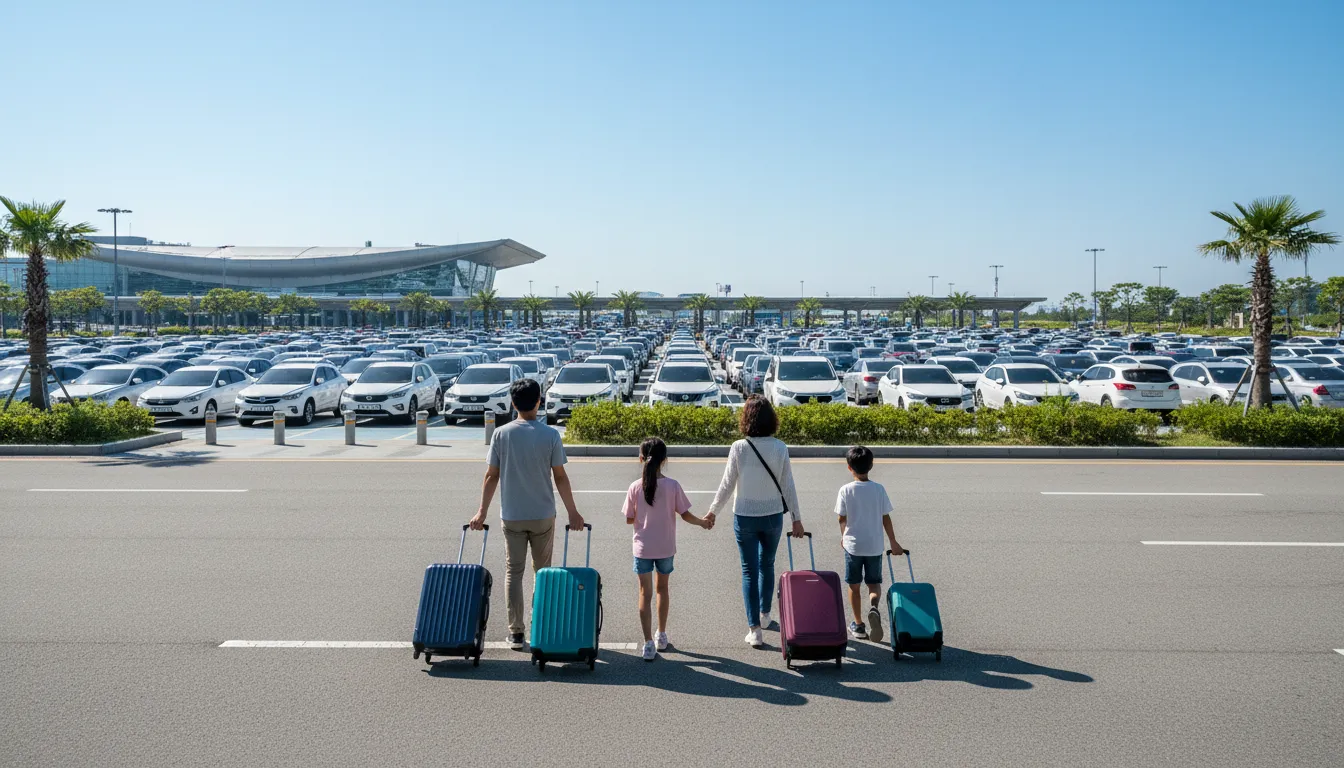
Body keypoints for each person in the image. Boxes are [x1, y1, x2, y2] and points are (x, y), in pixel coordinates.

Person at [469, 378, 584, 650]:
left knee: (514, 571)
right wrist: (573, 512)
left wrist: (481, 512)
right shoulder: (550, 435)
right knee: (542, 572)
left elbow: (491, 476)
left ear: (513, 403)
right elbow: (560, 477)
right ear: (539, 402)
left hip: (512, 515)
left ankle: (516, 633)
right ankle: (541, 626)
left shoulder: (501, 434)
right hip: (543, 514)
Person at [705, 395, 805, 648]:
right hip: (773, 515)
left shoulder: (739, 447)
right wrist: (796, 518)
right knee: (767, 565)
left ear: (746, 418)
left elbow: (727, 484)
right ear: (771, 419)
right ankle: (765, 615)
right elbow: (788, 485)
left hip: (745, 516)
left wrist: (713, 511)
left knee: (749, 570)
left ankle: (755, 630)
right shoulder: (780, 447)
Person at [623, 437, 711, 661]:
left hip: (642, 548)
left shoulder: (635, 486)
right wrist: (702, 522)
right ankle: (661, 635)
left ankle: (647, 644)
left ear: (641, 458)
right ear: (664, 460)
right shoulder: (672, 486)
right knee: (662, 589)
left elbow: (629, 518)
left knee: (644, 593)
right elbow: (685, 514)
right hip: (665, 547)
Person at [834, 445, 904, 642]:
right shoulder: (878, 489)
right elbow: (885, 517)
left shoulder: (845, 490)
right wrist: (893, 542)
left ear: (849, 467)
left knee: (854, 585)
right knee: (873, 583)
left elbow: (841, 518)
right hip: (874, 546)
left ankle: (858, 625)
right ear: (871, 465)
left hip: (853, 547)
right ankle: (873, 607)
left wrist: (844, 536)